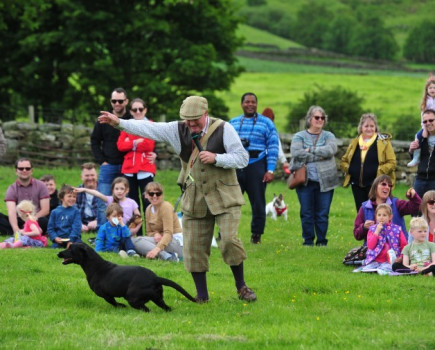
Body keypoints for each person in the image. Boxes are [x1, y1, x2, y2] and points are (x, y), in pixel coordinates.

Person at [98, 95, 257, 303]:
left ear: (205, 114)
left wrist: (217, 158)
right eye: (187, 120)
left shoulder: (224, 128)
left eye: (195, 120)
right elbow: (148, 129)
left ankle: (242, 287)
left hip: (224, 195)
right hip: (194, 194)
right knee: (193, 248)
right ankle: (201, 296)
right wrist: (118, 123)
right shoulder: (177, 129)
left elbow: (242, 158)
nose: (190, 124)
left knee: (228, 240)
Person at [229, 93, 279, 244]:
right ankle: (226, 233)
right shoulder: (233, 123)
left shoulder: (267, 124)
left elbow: (273, 147)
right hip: (236, 165)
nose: (250, 104)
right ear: (241, 104)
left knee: (258, 202)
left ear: (257, 104)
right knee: (230, 202)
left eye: (253, 102)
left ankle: (256, 235)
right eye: (247, 102)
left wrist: (270, 170)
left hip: (257, 164)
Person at [290, 106, 339, 246]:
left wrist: (310, 150)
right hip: (305, 181)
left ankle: (322, 241)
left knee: (322, 214)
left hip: (326, 182)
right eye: (317, 117)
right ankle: (308, 241)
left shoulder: (329, 136)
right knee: (306, 212)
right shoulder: (299, 136)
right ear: (309, 119)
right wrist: (320, 155)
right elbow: (296, 152)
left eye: (322, 118)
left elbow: (331, 150)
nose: (320, 120)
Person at [91, 87, 132, 228]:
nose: (117, 103)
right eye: (114, 101)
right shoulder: (104, 120)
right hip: (108, 165)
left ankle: (125, 232)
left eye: (120, 101)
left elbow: (145, 137)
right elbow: (94, 140)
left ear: (126, 101)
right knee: (104, 201)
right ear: (111, 101)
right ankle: (103, 233)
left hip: (128, 166)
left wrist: (153, 153)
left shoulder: (131, 119)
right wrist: (101, 161)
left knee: (126, 202)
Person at [340, 113, 396, 211]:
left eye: (372, 126)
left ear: (376, 127)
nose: (369, 129)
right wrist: (350, 169)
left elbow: (392, 162)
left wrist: (379, 170)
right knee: (361, 212)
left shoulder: (384, 142)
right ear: (361, 127)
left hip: (376, 184)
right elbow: (344, 161)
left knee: (377, 213)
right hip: (357, 185)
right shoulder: (355, 142)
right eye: (366, 126)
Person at [117, 98, 156, 228]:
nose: (138, 111)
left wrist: (130, 143)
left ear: (145, 110)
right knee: (132, 203)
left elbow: (149, 145)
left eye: (141, 109)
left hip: (145, 169)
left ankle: (151, 232)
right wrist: (135, 142)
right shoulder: (126, 125)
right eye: (135, 109)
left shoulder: (150, 124)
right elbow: (120, 146)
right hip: (129, 169)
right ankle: (135, 234)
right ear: (131, 111)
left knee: (148, 202)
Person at [353, 175, 421, 242]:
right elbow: (357, 234)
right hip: (373, 250)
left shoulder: (396, 203)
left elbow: (417, 207)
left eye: (389, 186)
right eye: (383, 184)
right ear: (375, 187)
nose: (387, 187)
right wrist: (364, 227)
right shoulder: (365, 207)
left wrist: (413, 196)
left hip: (397, 248)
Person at [131, 182, 182, 262]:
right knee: (133, 240)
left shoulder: (166, 207)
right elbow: (148, 232)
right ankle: (167, 256)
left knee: (138, 241)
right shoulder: (148, 209)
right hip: (159, 240)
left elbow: (168, 233)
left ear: (162, 195)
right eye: (151, 194)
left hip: (174, 241)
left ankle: (166, 256)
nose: (154, 196)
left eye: (158, 193)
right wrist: (155, 234)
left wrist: (156, 250)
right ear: (146, 195)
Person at [74, 177, 141, 236]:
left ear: (127, 190)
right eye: (117, 189)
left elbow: (139, 218)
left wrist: (135, 230)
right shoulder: (110, 200)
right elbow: (97, 194)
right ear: (113, 190)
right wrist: (85, 190)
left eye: (122, 189)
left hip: (127, 231)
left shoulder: (132, 202)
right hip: (113, 232)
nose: (119, 191)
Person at [358, 203, 407, 274]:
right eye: (379, 215)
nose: (381, 217)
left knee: (387, 268)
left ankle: (383, 270)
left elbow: (404, 245)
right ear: (376, 217)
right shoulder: (372, 229)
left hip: (390, 260)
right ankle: (376, 269)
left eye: (384, 215)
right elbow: (370, 246)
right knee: (367, 268)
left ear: (390, 217)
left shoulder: (397, 229)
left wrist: (401, 257)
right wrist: (377, 232)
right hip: (375, 259)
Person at [4, 158, 50, 234]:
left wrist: (32, 220)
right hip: (18, 220)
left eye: (27, 168)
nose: (24, 170)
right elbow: (11, 212)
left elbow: (45, 210)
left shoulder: (41, 185)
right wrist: (15, 229)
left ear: (32, 171)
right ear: (16, 171)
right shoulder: (11, 189)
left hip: (36, 219)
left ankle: (27, 231)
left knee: (44, 221)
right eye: (21, 168)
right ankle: (20, 231)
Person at [407, 75, 435, 167]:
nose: (432, 90)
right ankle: (416, 158)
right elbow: (423, 116)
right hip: (427, 125)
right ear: (427, 90)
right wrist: (424, 128)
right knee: (418, 136)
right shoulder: (426, 102)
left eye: (434, 88)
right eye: (430, 88)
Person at [409, 109, 435, 199]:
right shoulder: (421, 137)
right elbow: (416, 158)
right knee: (416, 210)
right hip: (420, 179)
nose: (428, 123)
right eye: (425, 121)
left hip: (434, 180)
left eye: (431, 120)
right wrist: (411, 150)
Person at [47, 184, 82, 249]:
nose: (72, 198)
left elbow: (76, 227)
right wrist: (55, 237)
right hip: (59, 240)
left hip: (74, 240)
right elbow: (50, 228)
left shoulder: (76, 211)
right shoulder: (54, 212)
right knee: (55, 249)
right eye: (69, 196)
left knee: (78, 248)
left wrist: (71, 240)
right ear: (62, 198)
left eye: (74, 196)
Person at [261, 107, 290, 174]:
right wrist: (284, 161)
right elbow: (277, 145)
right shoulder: (271, 129)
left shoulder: (258, 128)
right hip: (267, 160)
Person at [75, 162, 99, 233]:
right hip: (81, 221)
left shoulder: (104, 190)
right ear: (81, 177)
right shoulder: (76, 191)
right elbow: (72, 210)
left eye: (92, 175)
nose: (90, 178)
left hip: (99, 221)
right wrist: (78, 224)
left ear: (97, 176)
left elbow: (109, 210)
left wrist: (97, 221)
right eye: (87, 176)